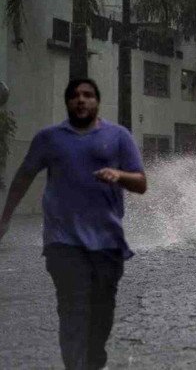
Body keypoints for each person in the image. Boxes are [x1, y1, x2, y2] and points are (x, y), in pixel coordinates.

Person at [0, 78, 147, 370]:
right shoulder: (49, 138)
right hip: (62, 243)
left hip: (107, 244)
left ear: (97, 102)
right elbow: (23, 177)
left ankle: (93, 361)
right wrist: (5, 219)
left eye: (88, 95)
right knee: (72, 313)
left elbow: (141, 183)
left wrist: (119, 175)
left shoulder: (118, 137)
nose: (81, 100)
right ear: (67, 102)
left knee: (100, 318)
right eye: (75, 96)